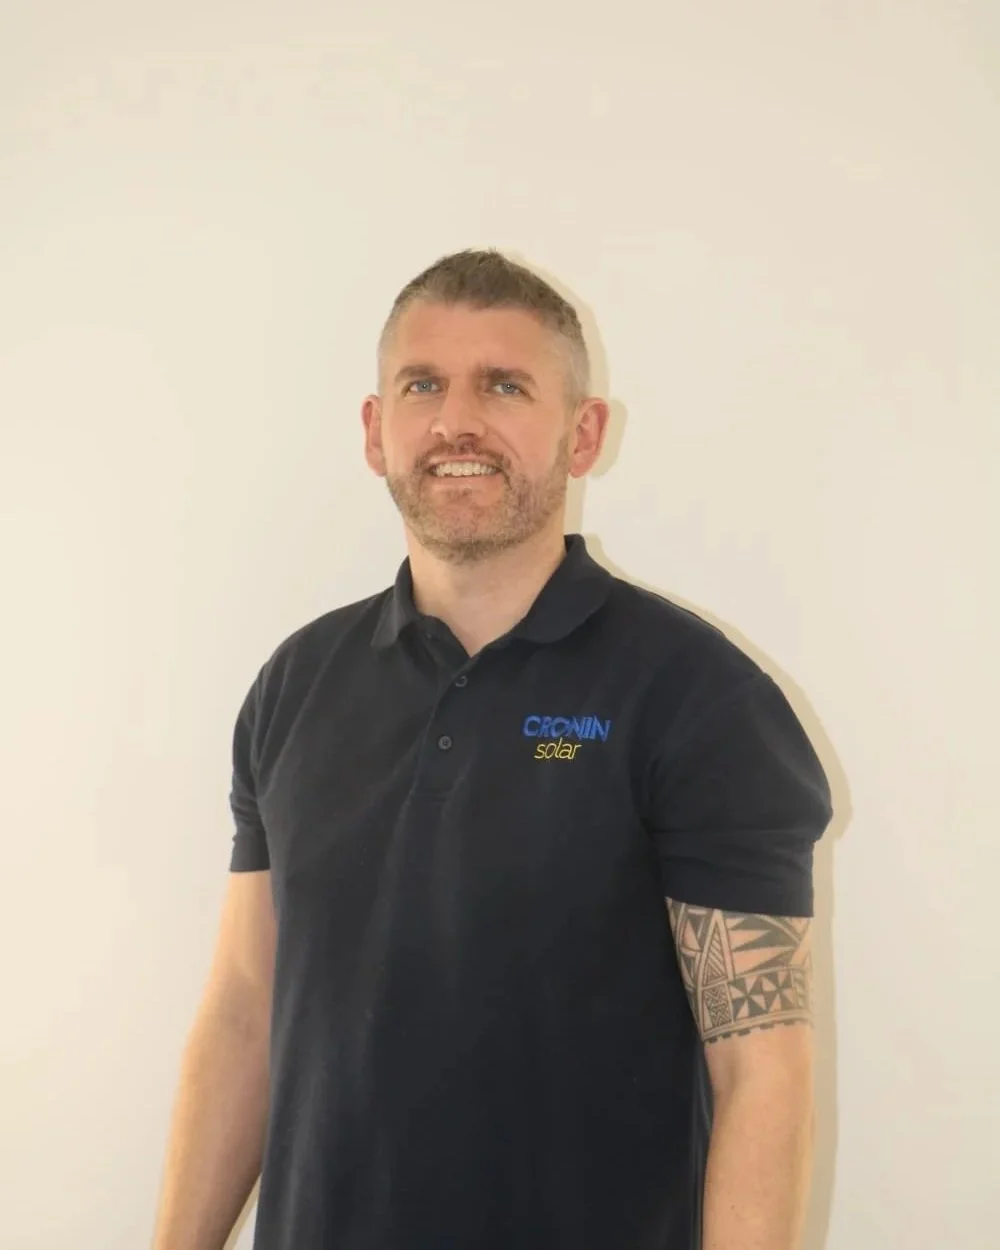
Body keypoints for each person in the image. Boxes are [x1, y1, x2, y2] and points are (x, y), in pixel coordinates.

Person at [151, 249, 833, 1250]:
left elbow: (760, 1068)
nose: (456, 421)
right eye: (422, 384)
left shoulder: (698, 697)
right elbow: (245, 1012)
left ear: (583, 430)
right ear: (375, 429)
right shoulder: (296, 683)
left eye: (504, 385)